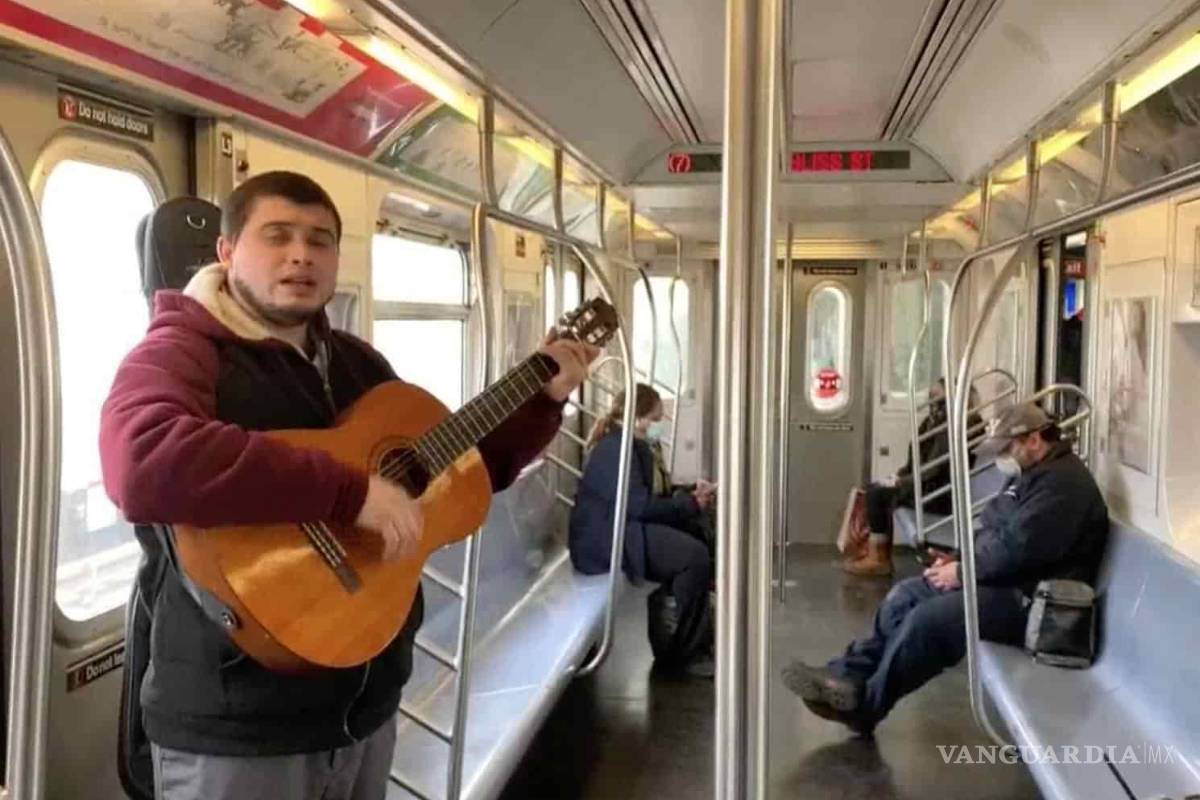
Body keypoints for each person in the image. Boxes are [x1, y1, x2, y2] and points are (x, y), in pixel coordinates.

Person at [99, 171, 598, 800]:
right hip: (238, 723)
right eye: (277, 236)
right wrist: (347, 493)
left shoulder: (358, 365)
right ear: (227, 252)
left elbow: (457, 474)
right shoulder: (184, 348)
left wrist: (540, 402)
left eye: (321, 240)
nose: (301, 254)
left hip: (365, 707)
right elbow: (140, 460)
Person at [782, 403, 1108, 735]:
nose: (1004, 458)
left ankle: (867, 707)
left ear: (1035, 440)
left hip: (1035, 602)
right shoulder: (1030, 477)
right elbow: (995, 529)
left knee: (931, 621)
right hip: (1005, 580)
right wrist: (956, 558)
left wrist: (964, 571)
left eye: (1009, 447)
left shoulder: (1063, 488)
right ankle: (847, 675)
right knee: (904, 596)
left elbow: (1018, 549)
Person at [569, 384, 716, 678]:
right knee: (694, 557)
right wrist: (688, 504)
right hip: (607, 538)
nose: (657, 427)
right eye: (654, 420)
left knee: (700, 531)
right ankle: (681, 652)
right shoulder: (617, 450)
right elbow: (637, 506)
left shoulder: (635, 446)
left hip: (623, 526)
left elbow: (650, 496)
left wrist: (688, 495)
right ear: (638, 418)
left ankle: (693, 633)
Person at [841, 380, 981, 576]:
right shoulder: (933, 422)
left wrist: (901, 482)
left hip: (938, 491)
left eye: (938, 398)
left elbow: (936, 468)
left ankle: (878, 558)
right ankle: (877, 553)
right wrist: (899, 475)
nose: (933, 402)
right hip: (926, 484)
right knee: (875, 488)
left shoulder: (959, 424)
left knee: (877, 494)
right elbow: (915, 460)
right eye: (931, 397)